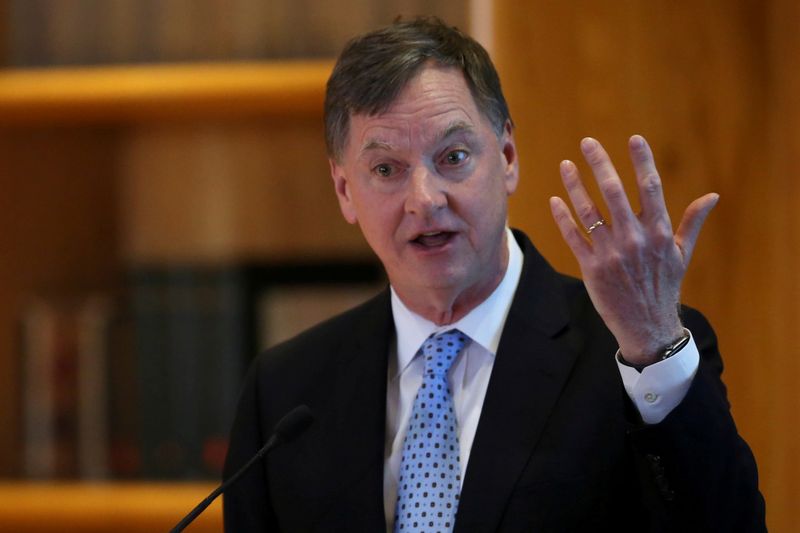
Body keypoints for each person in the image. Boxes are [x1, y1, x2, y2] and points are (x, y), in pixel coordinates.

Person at [223, 17, 765, 532]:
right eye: (386, 169)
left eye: (453, 157)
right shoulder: (286, 392)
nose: (425, 199)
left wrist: (654, 342)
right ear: (345, 189)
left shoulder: (632, 356)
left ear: (506, 156)